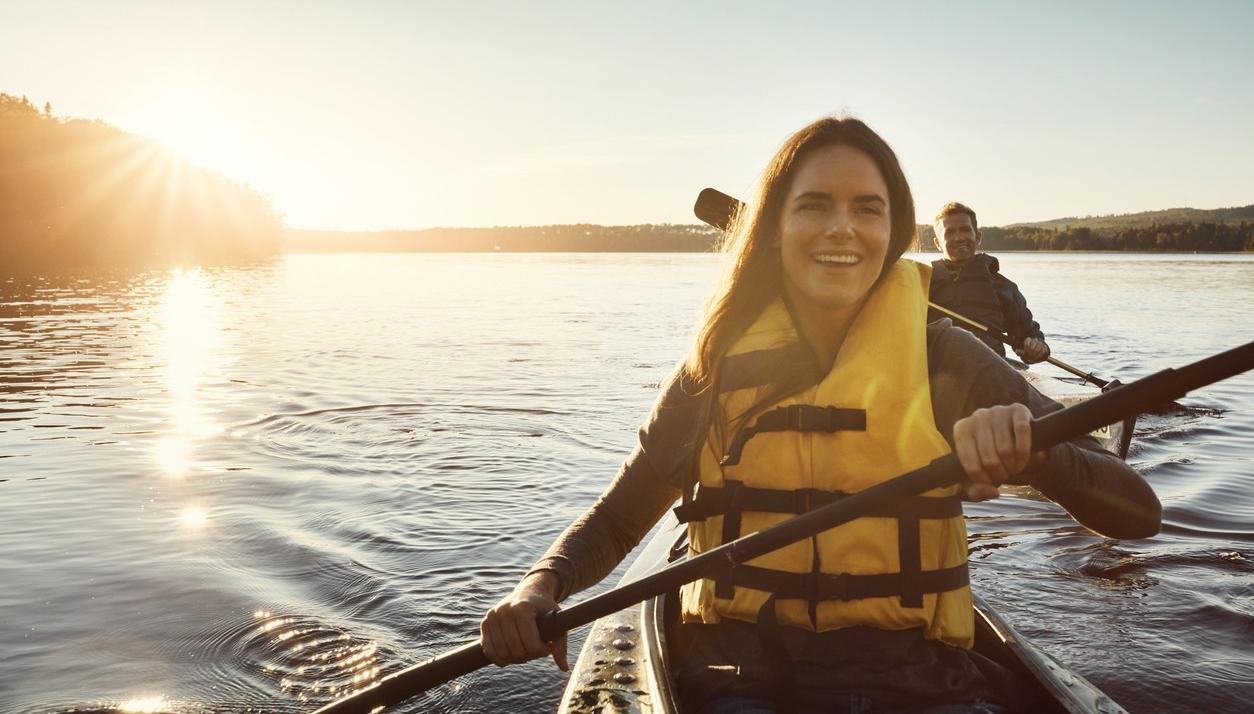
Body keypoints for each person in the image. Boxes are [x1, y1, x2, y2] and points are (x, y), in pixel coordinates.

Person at [479, 116, 1161, 713]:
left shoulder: (946, 358)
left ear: (893, 231)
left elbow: (1138, 513)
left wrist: (1038, 454)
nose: (842, 227)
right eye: (813, 206)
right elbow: (623, 515)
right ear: (775, 227)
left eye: (868, 208)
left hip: (922, 688)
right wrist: (541, 584)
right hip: (737, 682)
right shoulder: (715, 363)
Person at [929, 203, 1050, 363]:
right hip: (936, 373)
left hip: (989, 373)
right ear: (937, 243)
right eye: (950, 232)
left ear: (977, 237)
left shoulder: (1003, 287)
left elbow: (1029, 337)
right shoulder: (921, 282)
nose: (959, 238)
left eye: (965, 230)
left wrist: (1037, 348)